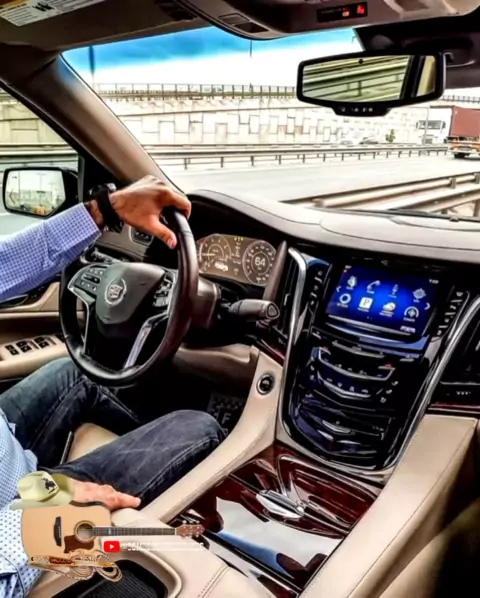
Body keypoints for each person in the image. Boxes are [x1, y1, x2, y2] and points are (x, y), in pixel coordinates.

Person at [0, 176, 225, 597]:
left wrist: (105, 208)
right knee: (199, 426)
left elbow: (3, 264)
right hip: (19, 511)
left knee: (74, 372)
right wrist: (41, 518)